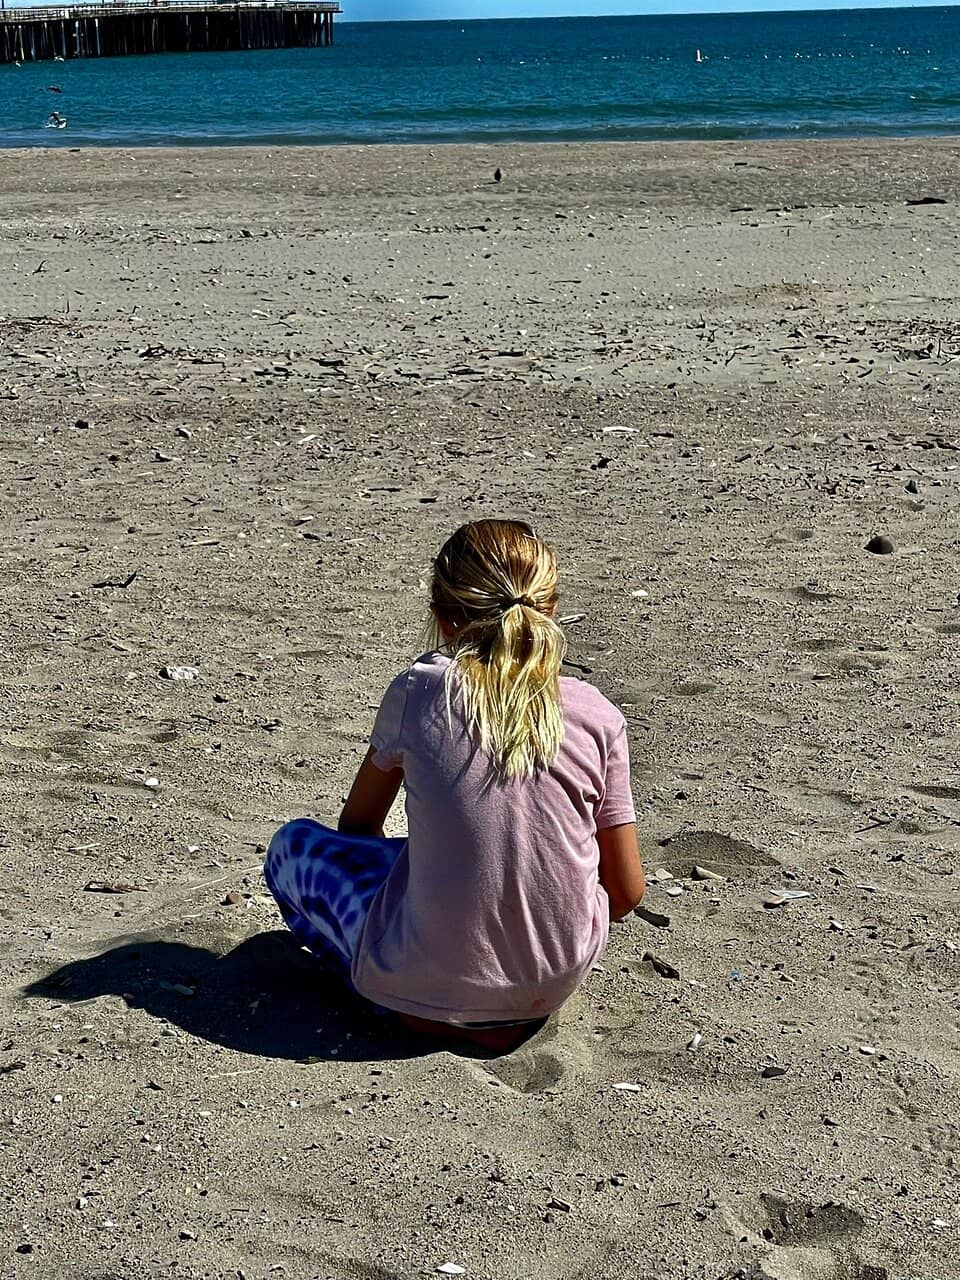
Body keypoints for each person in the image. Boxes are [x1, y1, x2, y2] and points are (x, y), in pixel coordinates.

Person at [264, 519, 645, 1052]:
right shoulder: (597, 714)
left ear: (443, 617)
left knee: (292, 846)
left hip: (413, 995)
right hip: (544, 988)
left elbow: (358, 826)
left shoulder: (420, 690)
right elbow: (626, 892)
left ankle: (379, 975)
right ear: (550, 609)